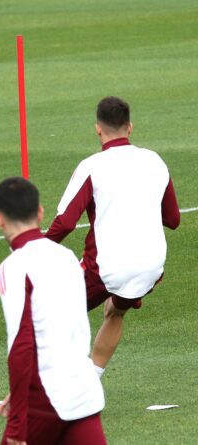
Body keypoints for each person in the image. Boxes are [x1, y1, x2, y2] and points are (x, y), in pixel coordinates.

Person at [45, 97, 180, 377]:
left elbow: (65, 223)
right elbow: (173, 220)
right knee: (114, 311)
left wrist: (34, 249)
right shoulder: (155, 161)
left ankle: (55, 384)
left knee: (51, 312)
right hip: (152, 268)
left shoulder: (92, 166)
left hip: (107, 268)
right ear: (130, 127)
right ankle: (91, 380)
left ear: (97, 129)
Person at [0, 177, 106, 445]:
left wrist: (18, 420)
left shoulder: (12, 268)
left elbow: (20, 344)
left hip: (45, 397)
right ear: (41, 212)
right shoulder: (66, 256)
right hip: (83, 390)